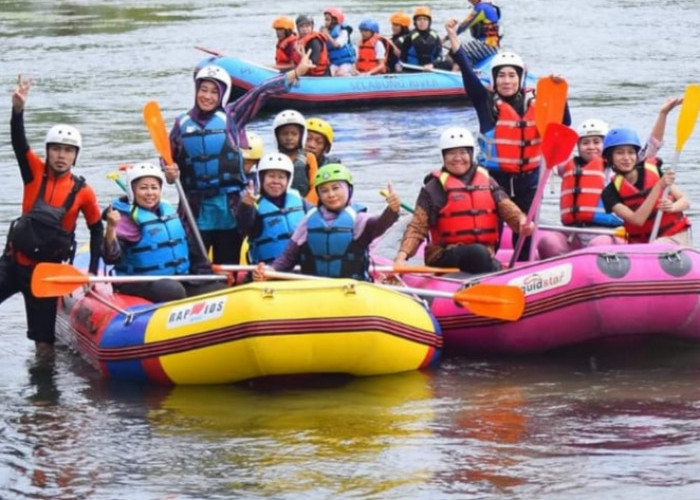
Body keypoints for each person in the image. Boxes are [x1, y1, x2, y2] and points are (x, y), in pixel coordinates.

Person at [167, 52, 313, 266]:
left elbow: (261, 93)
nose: (207, 96)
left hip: (230, 206)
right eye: (203, 90)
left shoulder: (233, 116)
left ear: (222, 95)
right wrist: (169, 173)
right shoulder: (181, 124)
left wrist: (295, 73)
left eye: (213, 92)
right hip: (195, 207)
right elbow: (169, 163)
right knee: (196, 264)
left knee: (228, 260)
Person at [444, 18, 571, 261]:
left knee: (524, 233)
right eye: (501, 75)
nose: (506, 80)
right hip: (494, 180)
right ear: (494, 79)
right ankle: (490, 270)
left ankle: (523, 269)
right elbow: (468, 72)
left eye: (512, 75)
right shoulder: (485, 102)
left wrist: (559, 94)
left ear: (520, 78)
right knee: (491, 231)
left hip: (529, 180)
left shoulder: (538, 103)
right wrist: (452, 35)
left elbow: (563, 124)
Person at [1, 75, 103, 356]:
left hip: (46, 275)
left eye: (68, 151)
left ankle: (46, 396)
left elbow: (96, 228)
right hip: (12, 265)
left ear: (75, 156)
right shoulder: (33, 171)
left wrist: (93, 271)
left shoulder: (84, 192)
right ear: (47, 151)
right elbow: (18, 142)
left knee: (44, 344)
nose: (61, 155)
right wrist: (18, 110)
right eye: (56, 149)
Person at [538, 97, 683, 258]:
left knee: (597, 245)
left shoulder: (618, 169)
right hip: (575, 233)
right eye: (585, 143)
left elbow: (652, 146)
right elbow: (549, 143)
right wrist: (557, 104)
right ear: (578, 147)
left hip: (610, 233)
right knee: (548, 242)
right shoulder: (567, 167)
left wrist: (663, 114)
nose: (591, 147)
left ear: (606, 146)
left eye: (596, 142)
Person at [394, 127, 533, 274]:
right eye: (451, 153)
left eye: (463, 152)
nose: (458, 158)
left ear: (471, 154)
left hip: (484, 253)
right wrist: (402, 257)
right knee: (477, 253)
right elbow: (417, 226)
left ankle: (493, 273)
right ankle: (491, 272)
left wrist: (521, 221)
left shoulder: (487, 181)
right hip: (445, 255)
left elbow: (506, 207)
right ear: (443, 157)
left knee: (480, 253)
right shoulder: (433, 188)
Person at [253, 163, 401, 281]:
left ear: (348, 189)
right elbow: (288, 258)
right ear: (318, 195)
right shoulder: (308, 221)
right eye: (324, 190)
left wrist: (392, 210)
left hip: (352, 290)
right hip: (316, 290)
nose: (331, 195)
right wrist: (270, 271)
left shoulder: (359, 219)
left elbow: (381, 224)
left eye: (336, 188)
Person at [103, 163, 226, 303]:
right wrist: (111, 228)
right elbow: (111, 258)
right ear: (132, 191)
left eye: (154, 187)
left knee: (219, 288)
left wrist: (205, 272)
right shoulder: (125, 219)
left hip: (179, 278)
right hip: (140, 281)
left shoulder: (167, 210)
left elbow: (190, 247)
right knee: (173, 290)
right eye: (143, 188)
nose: (150, 193)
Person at [601, 128, 691, 245]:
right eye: (620, 153)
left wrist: (672, 207)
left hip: (674, 235)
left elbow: (685, 201)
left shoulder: (653, 171)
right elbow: (637, 220)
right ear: (610, 158)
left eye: (631, 152)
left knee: (658, 245)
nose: (626, 157)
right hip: (641, 243)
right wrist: (658, 186)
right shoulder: (609, 193)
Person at [237, 153, 312, 264]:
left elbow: (322, 217)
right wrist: (246, 207)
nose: (276, 181)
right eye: (271, 176)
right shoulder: (253, 204)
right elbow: (244, 228)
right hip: (268, 271)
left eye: (281, 177)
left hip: (302, 268)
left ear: (288, 180)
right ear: (261, 178)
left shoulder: (300, 201)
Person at [272, 109, 319, 203]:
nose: (289, 138)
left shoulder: (309, 158)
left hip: (305, 206)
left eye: (294, 134)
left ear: (301, 136)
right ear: (277, 136)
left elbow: (315, 186)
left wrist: (305, 206)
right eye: (284, 134)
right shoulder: (272, 160)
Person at [399, 6, 446, 71]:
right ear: (415, 22)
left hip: (431, 69)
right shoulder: (409, 37)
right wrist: (399, 64)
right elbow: (403, 56)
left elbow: (440, 56)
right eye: (419, 19)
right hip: (412, 70)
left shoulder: (435, 37)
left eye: (425, 19)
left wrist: (432, 65)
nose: (422, 22)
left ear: (429, 22)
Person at [321, 7, 356, 76]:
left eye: (327, 20)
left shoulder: (343, 32)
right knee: (329, 73)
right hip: (334, 62)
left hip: (345, 62)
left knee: (341, 73)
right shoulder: (324, 31)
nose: (325, 22)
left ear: (334, 20)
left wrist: (327, 35)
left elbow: (336, 45)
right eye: (325, 20)